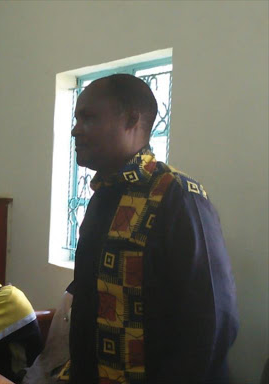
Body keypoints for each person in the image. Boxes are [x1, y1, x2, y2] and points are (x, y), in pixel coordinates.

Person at [68, 74, 238, 383]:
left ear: (132, 119)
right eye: (77, 118)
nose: (75, 129)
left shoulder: (180, 196)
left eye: (88, 117)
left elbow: (213, 322)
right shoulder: (103, 195)